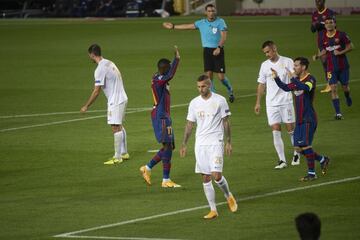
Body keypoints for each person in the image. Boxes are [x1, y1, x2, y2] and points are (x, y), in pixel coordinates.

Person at [180, 74, 237, 219]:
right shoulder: (194, 103)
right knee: (205, 177)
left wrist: (229, 141)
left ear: (209, 85)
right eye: (198, 87)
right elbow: (189, 124)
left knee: (216, 176)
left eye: (203, 86)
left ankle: (227, 195)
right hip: (200, 144)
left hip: (216, 142)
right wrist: (184, 143)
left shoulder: (220, 100)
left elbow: (226, 122)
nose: (201, 89)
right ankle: (213, 210)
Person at [162, 4, 235, 103]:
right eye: (209, 11)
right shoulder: (201, 23)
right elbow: (188, 26)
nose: (211, 13)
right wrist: (174, 26)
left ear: (215, 11)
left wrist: (219, 47)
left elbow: (223, 37)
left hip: (218, 50)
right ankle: (213, 97)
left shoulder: (220, 22)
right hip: (207, 51)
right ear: (206, 12)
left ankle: (230, 90)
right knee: (208, 76)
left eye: (213, 11)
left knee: (221, 77)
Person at [272, 57, 330, 181]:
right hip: (299, 119)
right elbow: (286, 87)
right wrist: (276, 77)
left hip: (308, 117)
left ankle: (312, 174)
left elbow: (305, 88)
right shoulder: (296, 80)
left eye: (296, 66)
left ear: (303, 67)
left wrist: (293, 77)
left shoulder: (311, 79)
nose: (294, 68)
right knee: (298, 148)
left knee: (306, 146)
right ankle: (322, 159)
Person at [139, 46, 181, 188]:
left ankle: (147, 168)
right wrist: (177, 59)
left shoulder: (159, 78)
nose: (169, 70)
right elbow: (170, 75)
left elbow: (168, 76)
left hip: (164, 115)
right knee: (167, 145)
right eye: (168, 67)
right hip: (161, 116)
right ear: (164, 69)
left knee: (170, 145)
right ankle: (165, 180)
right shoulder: (159, 79)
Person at [255, 40, 301, 169]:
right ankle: (282, 160)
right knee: (275, 130)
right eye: (265, 53)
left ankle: (296, 153)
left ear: (274, 48)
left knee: (291, 129)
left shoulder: (287, 61)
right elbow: (261, 84)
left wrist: (292, 76)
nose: (267, 54)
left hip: (286, 101)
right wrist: (258, 102)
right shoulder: (264, 65)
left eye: (268, 51)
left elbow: (295, 78)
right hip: (271, 103)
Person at [81, 44, 129, 164]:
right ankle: (124, 153)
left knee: (115, 127)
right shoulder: (109, 62)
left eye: (89, 56)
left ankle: (117, 157)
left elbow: (96, 91)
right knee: (119, 125)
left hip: (115, 100)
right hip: (122, 97)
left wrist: (86, 105)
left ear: (92, 55)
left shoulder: (99, 69)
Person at [313, 16, 353, 120]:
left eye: (331, 22)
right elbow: (324, 50)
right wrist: (317, 56)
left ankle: (347, 96)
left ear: (334, 24)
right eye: (326, 23)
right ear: (325, 25)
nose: (329, 24)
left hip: (343, 66)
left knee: (345, 87)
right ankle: (338, 113)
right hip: (330, 68)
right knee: (333, 89)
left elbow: (350, 47)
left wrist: (340, 52)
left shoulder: (341, 35)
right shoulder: (322, 37)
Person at [311, 0, 336, 93]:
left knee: (328, 62)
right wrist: (314, 26)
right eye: (316, 1)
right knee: (325, 63)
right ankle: (330, 83)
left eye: (320, 1)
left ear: (324, 1)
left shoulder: (329, 12)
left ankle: (331, 83)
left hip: (330, 40)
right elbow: (312, 30)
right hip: (320, 42)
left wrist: (320, 24)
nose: (318, 3)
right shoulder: (314, 14)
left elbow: (334, 25)